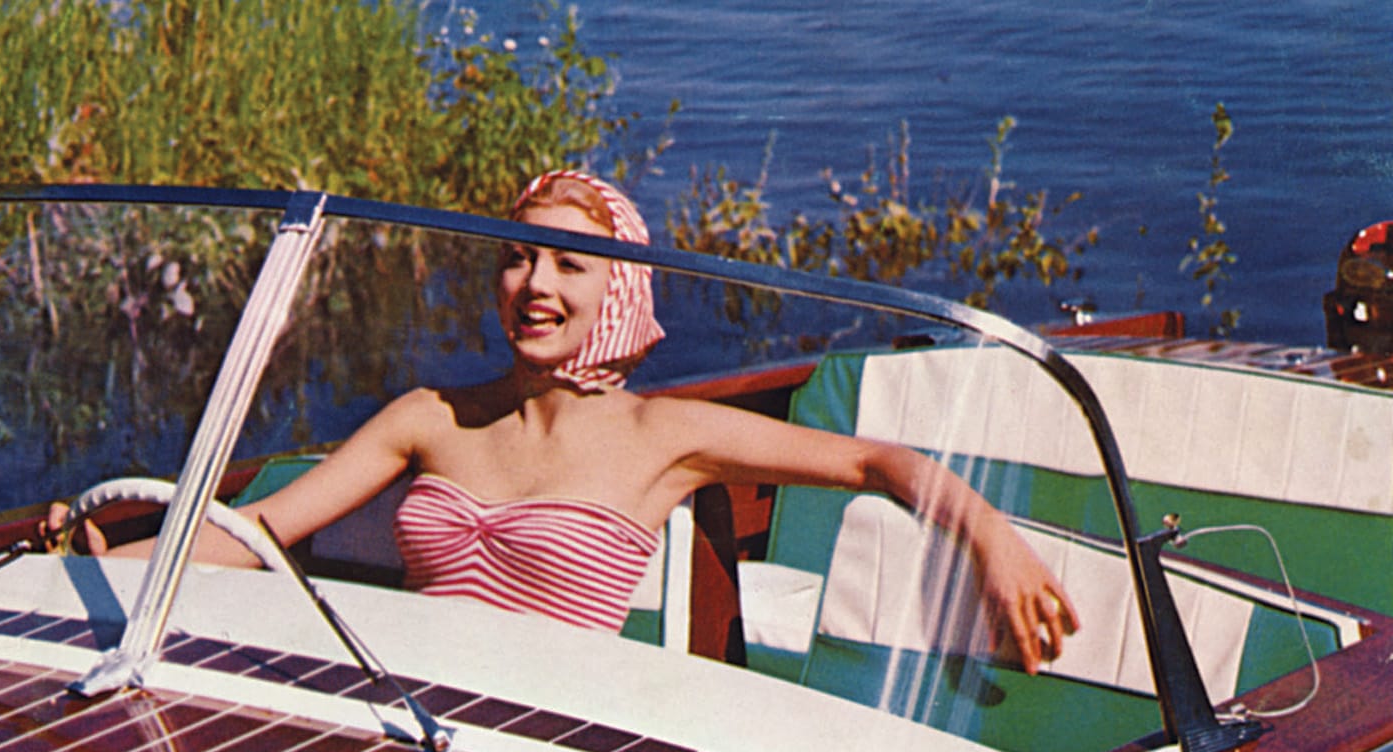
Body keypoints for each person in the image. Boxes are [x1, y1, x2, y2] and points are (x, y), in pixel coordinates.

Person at [80, 169, 1080, 673]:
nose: (534, 285)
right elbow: (259, 535)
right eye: (517, 256)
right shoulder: (430, 415)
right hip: (396, 707)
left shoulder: (663, 435)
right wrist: (86, 574)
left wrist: (991, 540)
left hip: (555, 735)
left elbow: (876, 460)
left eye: (569, 265)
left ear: (620, 290)